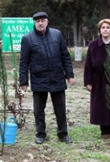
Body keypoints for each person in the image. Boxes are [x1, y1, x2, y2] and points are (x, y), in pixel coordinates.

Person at [19, 11, 75, 144]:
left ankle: (63, 134)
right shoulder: (28, 38)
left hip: (57, 77)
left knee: (60, 108)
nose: (40, 23)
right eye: (37, 21)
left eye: (43, 20)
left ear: (47, 22)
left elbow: (65, 56)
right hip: (39, 79)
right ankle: (41, 134)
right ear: (34, 23)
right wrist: (24, 81)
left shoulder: (57, 35)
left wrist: (69, 74)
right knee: (39, 109)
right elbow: (24, 62)